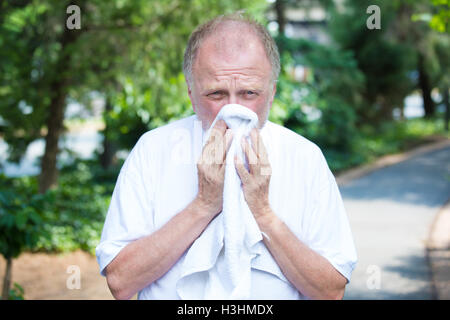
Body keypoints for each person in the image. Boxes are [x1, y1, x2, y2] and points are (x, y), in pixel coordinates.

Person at [96, 12, 357, 300]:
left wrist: (263, 213)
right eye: (216, 94)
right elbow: (120, 282)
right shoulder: (153, 151)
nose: (233, 110)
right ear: (191, 93)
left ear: (271, 93)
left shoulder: (305, 158)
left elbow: (331, 291)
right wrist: (204, 205)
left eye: (249, 93)